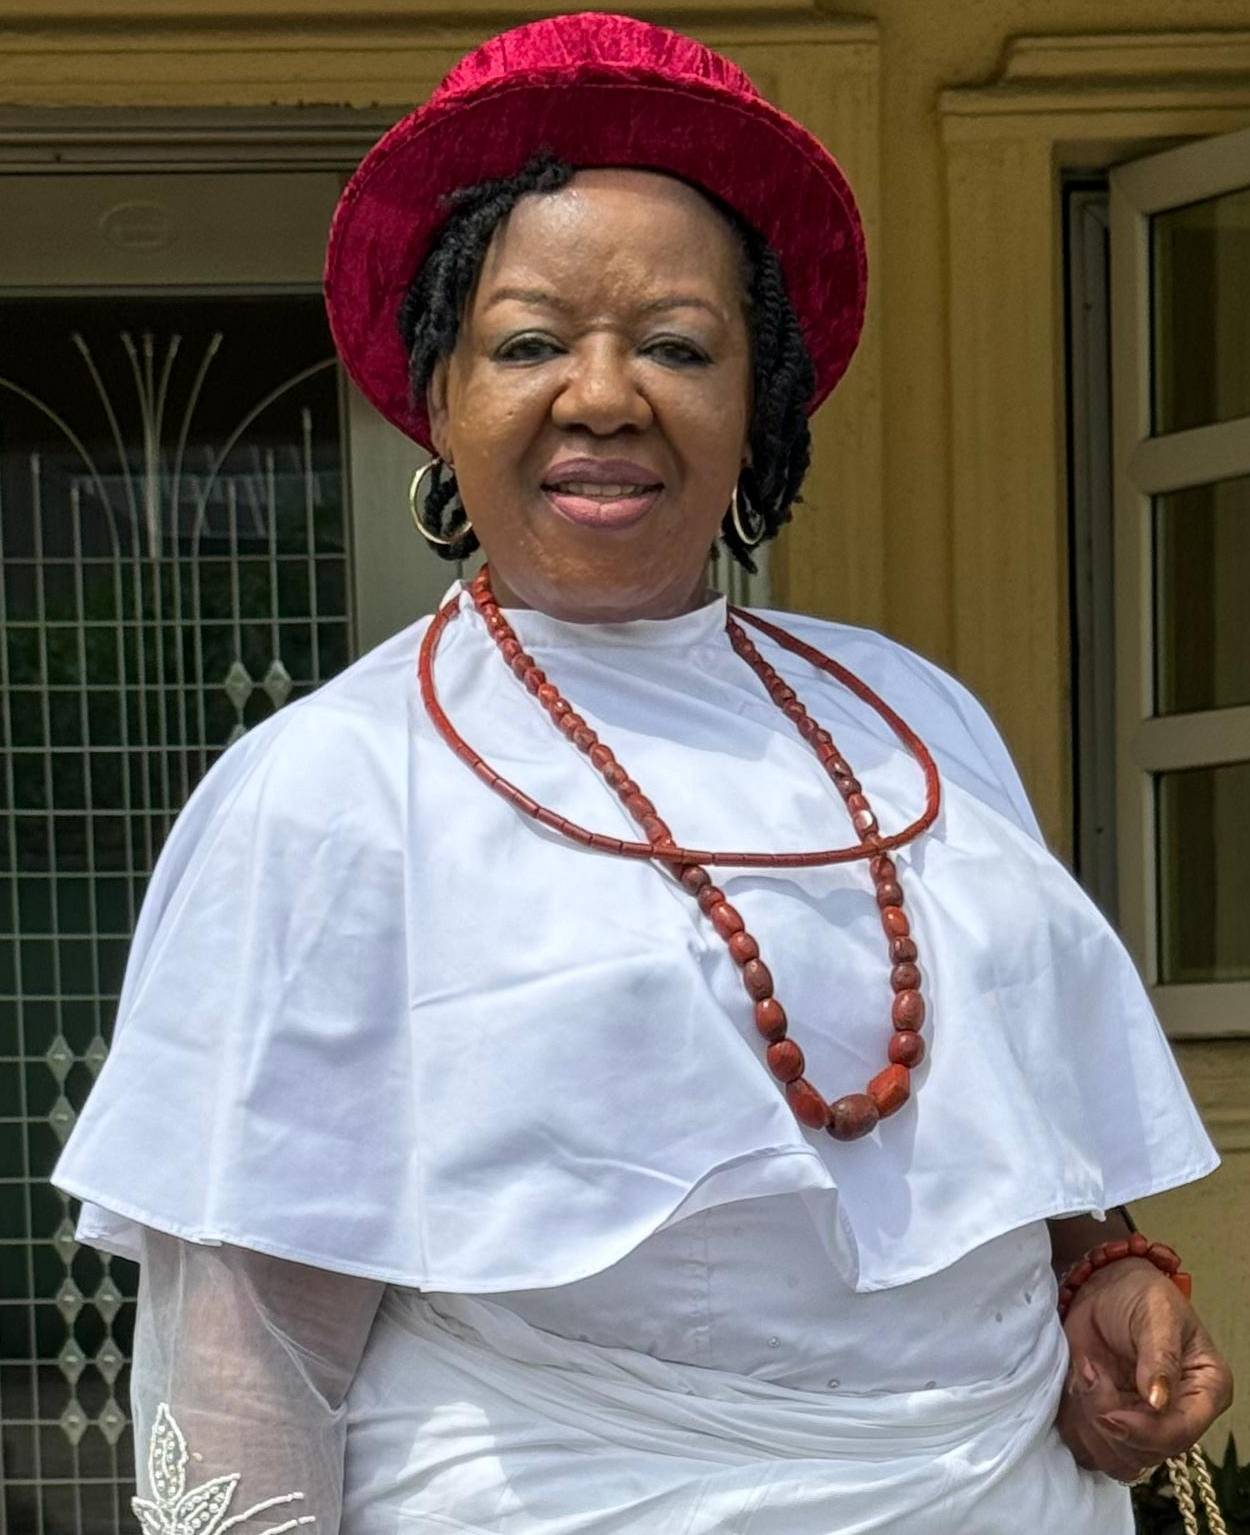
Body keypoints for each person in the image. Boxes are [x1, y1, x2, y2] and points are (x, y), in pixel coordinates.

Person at [53, 12, 1232, 1534]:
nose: (604, 395)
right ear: (440, 396)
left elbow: (1003, 1102)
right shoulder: (332, 786)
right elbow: (247, 1348)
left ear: (756, 405)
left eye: (677, 346)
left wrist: (1099, 1264)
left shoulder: (911, 716)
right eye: (529, 343)